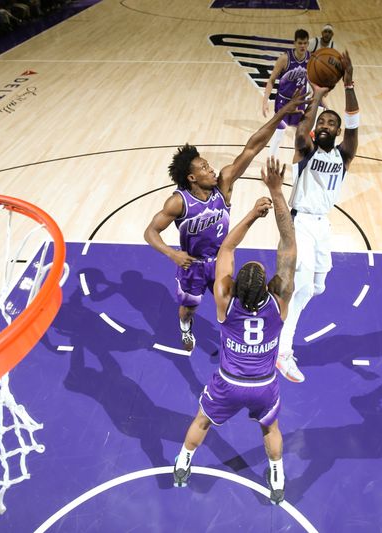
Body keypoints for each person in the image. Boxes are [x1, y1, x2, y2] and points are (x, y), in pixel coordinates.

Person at [172, 157, 296, 505]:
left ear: (234, 287)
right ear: (271, 288)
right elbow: (288, 245)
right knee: (270, 429)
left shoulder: (225, 304)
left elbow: (226, 247)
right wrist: (275, 192)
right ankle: (277, 475)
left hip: (229, 383)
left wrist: (252, 216)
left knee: (202, 421)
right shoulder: (279, 305)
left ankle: (183, 461)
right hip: (262, 386)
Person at [144, 91, 307, 353]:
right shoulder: (179, 202)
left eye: (209, 166)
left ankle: (235, 340)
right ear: (192, 178)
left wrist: (282, 113)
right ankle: (186, 328)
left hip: (222, 260)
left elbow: (252, 146)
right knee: (188, 309)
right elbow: (150, 231)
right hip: (193, 265)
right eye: (205, 168)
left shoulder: (225, 184)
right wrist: (172, 254)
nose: (212, 169)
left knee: (236, 304)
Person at [276, 51, 358, 384]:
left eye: (331, 123)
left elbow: (354, 125)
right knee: (303, 288)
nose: (325, 125)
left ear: (338, 132)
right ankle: (282, 352)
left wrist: (349, 83)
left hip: (323, 224)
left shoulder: (344, 154)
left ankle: (278, 299)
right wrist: (318, 99)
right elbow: (301, 132)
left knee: (318, 286)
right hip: (300, 223)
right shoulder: (305, 151)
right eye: (322, 122)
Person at [261, 29, 310, 157]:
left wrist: (321, 99)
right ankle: (269, 164)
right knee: (278, 134)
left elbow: (313, 82)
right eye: (300, 43)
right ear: (294, 43)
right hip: (283, 102)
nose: (302, 46)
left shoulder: (311, 59)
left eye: (305, 43)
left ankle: (298, 166)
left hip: (299, 103)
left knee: (299, 137)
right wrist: (265, 101)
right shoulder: (284, 59)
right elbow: (271, 80)